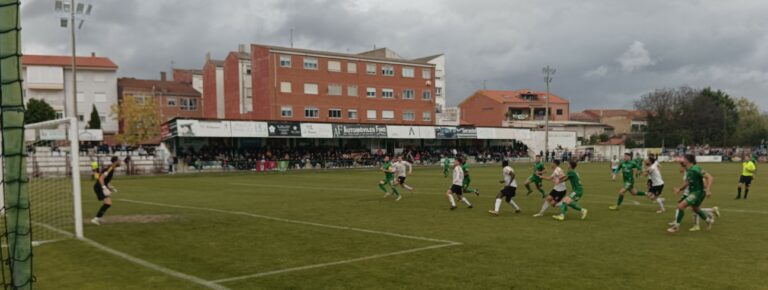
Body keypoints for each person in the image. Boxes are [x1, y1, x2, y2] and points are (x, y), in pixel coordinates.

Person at [668, 155, 716, 233]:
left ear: (687, 160)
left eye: (684, 159)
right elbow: (687, 183)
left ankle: (676, 226)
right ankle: (708, 221)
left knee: (680, 206)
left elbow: (710, 177)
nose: (682, 160)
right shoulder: (689, 170)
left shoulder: (696, 168)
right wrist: (679, 189)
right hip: (693, 192)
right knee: (695, 209)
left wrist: (708, 190)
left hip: (698, 192)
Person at [91, 156, 121, 225]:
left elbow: (104, 180)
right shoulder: (110, 168)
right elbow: (101, 178)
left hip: (99, 186)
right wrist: (104, 188)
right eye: (119, 160)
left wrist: (110, 187)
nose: (120, 162)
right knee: (108, 203)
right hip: (99, 186)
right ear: (115, 161)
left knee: (108, 203)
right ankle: (96, 219)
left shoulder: (111, 168)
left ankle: (98, 218)